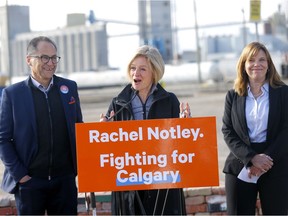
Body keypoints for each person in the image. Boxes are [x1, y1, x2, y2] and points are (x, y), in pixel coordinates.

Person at [100, 45, 189, 215]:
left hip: (163, 183)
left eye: (142, 69)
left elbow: (181, 143)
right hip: (129, 184)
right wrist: (104, 132)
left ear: (154, 72)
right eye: (133, 68)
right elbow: (108, 149)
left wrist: (186, 126)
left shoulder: (170, 101)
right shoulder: (117, 103)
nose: (136, 73)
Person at [0, 36, 83, 215]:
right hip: (30, 184)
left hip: (65, 181)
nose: (51, 63)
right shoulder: (13, 94)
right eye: (44, 57)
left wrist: (98, 130)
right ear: (29, 60)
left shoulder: (69, 88)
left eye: (54, 58)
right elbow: (3, 139)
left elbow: (79, 128)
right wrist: (21, 176)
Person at [222, 41, 288, 215]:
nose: (257, 64)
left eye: (262, 60)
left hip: (275, 163)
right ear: (244, 65)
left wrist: (264, 161)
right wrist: (251, 158)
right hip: (240, 163)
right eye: (251, 60)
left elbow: (286, 130)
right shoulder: (233, 96)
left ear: (269, 65)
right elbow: (227, 131)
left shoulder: (283, 93)